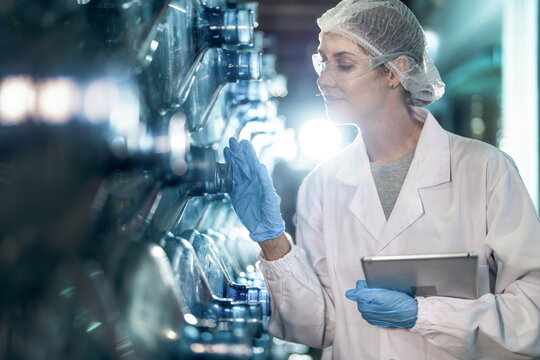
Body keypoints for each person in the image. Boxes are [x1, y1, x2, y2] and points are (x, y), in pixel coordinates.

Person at [223, 0, 540, 358]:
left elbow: (533, 314)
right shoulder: (322, 185)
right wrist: (273, 241)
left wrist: (424, 315)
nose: (324, 79)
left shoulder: (484, 170)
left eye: (343, 64)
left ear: (395, 71)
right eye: (323, 62)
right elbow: (318, 327)